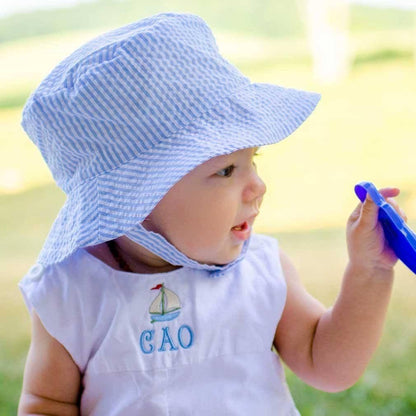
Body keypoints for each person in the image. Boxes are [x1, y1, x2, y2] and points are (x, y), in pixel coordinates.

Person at [17, 12, 406, 416]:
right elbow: (47, 402)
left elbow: (329, 366)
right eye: (225, 170)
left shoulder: (260, 270)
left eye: (252, 159)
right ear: (137, 198)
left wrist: (370, 273)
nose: (258, 186)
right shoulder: (74, 291)